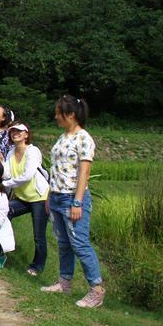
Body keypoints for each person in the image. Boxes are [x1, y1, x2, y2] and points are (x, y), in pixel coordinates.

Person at [41, 96, 105, 309]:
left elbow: (84, 173)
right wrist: (50, 195)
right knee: (63, 242)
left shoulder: (84, 139)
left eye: (58, 112)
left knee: (79, 243)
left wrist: (77, 203)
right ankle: (64, 282)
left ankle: (96, 290)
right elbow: (56, 170)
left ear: (71, 114)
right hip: (57, 196)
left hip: (72, 198)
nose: (56, 116)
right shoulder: (63, 137)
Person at [2, 122, 50, 276]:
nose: (15, 134)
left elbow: (27, 175)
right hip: (22, 197)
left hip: (39, 197)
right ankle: (2, 248)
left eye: (19, 131)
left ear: (26, 134)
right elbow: (7, 173)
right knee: (3, 212)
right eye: (12, 131)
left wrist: (5, 183)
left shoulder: (33, 151)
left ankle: (37, 266)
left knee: (38, 235)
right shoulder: (10, 152)